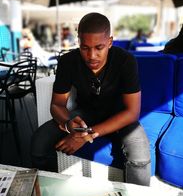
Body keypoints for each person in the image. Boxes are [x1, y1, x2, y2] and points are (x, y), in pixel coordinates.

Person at [31, 12, 151, 186]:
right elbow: (57, 104)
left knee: (140, 154)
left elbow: (132, 112)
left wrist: (87, 136)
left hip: (119, 116)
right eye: (85, 48)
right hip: (85, 113)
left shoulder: (125, 61)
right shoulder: (68, 61)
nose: (92, 56)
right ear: (78, 42)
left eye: (99, 48)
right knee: (39, 142)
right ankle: (49, 190)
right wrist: (68, 124)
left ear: (109, 42)